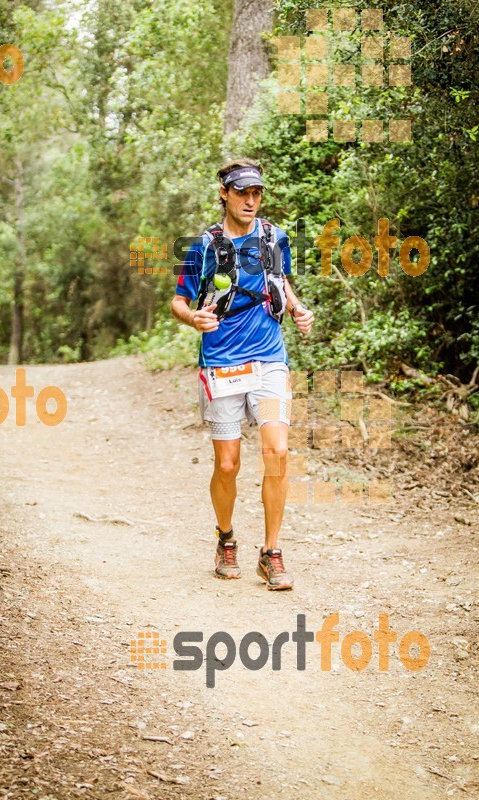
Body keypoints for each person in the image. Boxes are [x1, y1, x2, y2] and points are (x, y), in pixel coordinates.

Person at [171, 158, 314, 590]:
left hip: (270, 361)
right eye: (242, 193)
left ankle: (271, 553)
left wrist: (296, 308)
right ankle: (226, 538)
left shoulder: (274, 236)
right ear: (225, 194)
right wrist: (192, 318)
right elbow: (179, 301)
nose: (251, 200)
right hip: (222, 366)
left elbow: (281, 279)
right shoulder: (202, 246)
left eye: (257, 193)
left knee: (278, 452)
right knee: (228, 464)